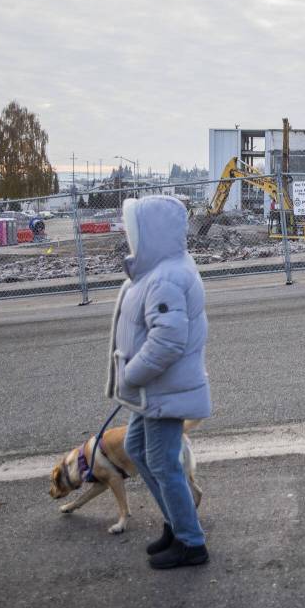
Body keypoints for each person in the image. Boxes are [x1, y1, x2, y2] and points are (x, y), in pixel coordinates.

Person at [105, 195, 211, 569]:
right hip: (153, 389)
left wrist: (130, 375)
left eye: (133, 228)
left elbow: (168, 341)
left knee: (164, 462)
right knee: (136, 447)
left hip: (164, 388)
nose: (128, 234)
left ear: (152, 233)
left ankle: (191, 541)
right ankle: (176, 523)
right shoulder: (159, 269)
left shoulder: (166, 276)